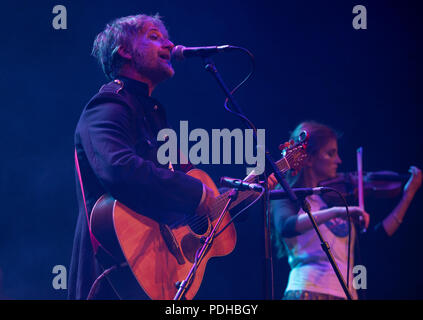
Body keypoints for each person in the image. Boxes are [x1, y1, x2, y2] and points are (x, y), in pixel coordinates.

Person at [68, 14, 217, 300]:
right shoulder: (109, 104)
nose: (169, 43)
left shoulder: (153, 113)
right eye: (154, 36)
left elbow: (182, 189)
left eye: (165, 37)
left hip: (154, 273)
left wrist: (243, 193)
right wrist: (196, 192)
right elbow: (120, 169)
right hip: (113, 274)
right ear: (125, 51)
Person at [271, 121, 422, 300]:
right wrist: (337, 212)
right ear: (309, 158)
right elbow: (286, 226)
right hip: (307, 291)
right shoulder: (287, 195)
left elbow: (374, 238)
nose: (339, 160)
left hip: (346, 294)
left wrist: (407, 196)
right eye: (330, 153)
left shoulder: (335, 197)